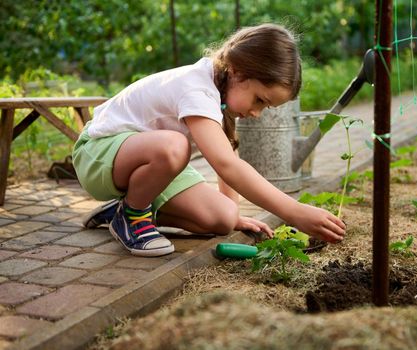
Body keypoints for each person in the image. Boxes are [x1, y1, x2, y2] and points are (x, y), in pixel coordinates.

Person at [73, 23, 346, 257]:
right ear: (238, 72)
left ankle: (124, 206)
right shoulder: (197, 89)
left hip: (148, 161)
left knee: (223, 218)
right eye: (259, 100)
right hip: (98, 153)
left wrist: (233, 213)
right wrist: (294, 211)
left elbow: (226, 155)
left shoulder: (224, 94)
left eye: (266, 107)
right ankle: (131, 216)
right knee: (173, 147)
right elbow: (226, 165)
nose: (256, 112)